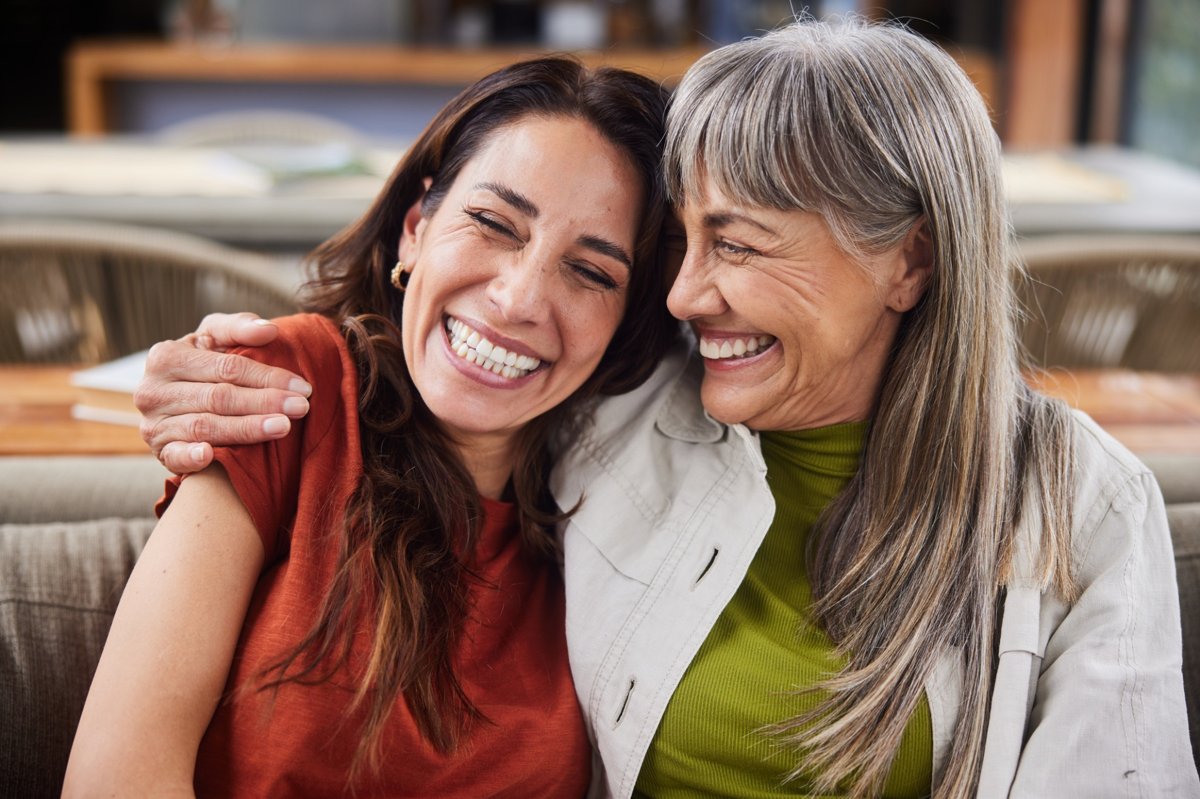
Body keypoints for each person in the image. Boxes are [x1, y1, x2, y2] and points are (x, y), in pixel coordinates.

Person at [131, 17, 1200, 799]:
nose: (684, 296)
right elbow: (456, 372)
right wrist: (221, 373)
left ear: (909, 259)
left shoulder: (1081, 504)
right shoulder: (629, 413)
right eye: (681, 243)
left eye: (735, 242)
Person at [63, 56, 677, 798]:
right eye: (492, 223)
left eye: (591, 272)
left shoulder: (618, 502)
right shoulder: (292, 389)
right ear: (417, 228)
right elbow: (115, 776)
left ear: (626, 323)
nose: (519, 299)